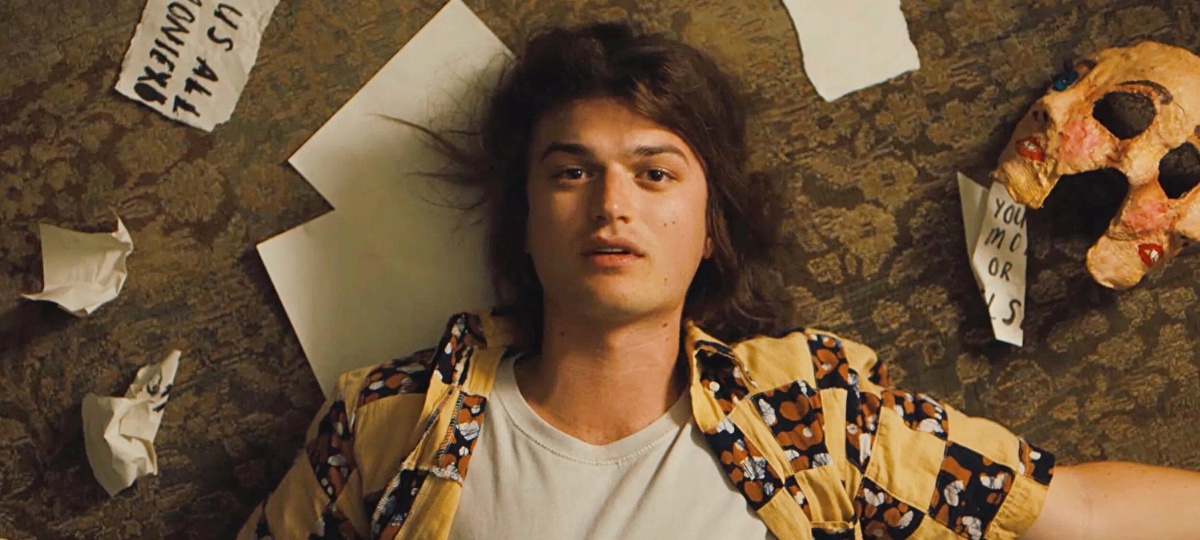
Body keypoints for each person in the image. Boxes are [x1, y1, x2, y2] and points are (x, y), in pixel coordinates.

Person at [239, 22, 1200, 540]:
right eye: (570, 173)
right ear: (525, 220)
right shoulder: (391, 424)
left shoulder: (815, 420)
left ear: (710, 229)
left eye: (656, 174)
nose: (612, 205)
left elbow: (1074, 511)